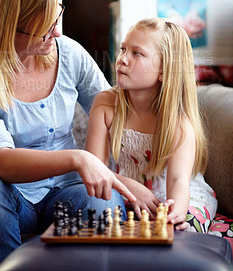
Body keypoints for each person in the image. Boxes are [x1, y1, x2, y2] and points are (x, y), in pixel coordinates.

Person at [0, 0, 135, 271]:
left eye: (57, 17)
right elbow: (0, 160)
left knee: (103, 200)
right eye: (43, 27)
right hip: (12, 198)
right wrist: (78, 158)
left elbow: (117, 112)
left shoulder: (68, 53)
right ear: (5, 30)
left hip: (72, 192)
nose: (56, 32)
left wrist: (124, 178)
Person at [86, 18, 217, 232]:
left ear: (164, 70)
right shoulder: (105, 104)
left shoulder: (177, 123)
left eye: (137, 53)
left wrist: (176, 214)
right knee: (104, 220)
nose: (122, 59)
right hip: (126, 192)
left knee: (181, 230)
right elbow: (94, 169)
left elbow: (177, 181)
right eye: (123, 49)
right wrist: (131, 187)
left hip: (178, 196)